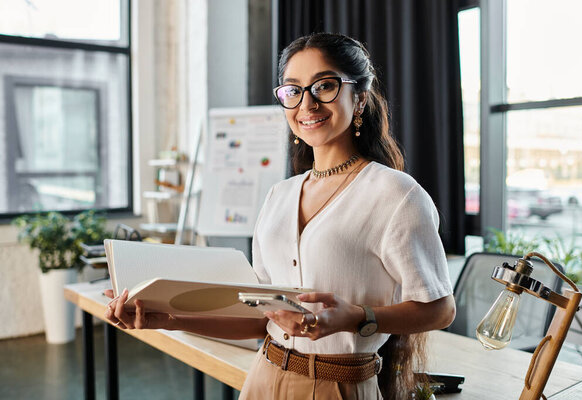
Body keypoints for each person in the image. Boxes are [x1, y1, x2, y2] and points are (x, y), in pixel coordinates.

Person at [105, 32, 456, 400]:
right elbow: (261, 317)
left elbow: (439, 309)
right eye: (293, 90)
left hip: (340, 385)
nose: (307, 103)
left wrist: (357, 317)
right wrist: (166, 320)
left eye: (325, 86)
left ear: (361, 98)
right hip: (264, 376)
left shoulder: (396, 194)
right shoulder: (279, 195)